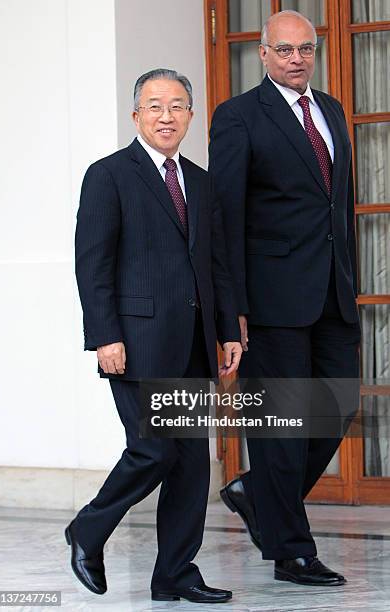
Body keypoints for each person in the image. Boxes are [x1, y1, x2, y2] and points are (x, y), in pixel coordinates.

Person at [66, 68, 242, 604]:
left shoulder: (202, 180)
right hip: (136, 342)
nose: (167, 116)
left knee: (190, 466)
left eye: (177, 106)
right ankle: (87, 530)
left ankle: (175, 575)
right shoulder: (109, 175)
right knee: (153, 452)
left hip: (192, 341)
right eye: (155, 106)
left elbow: (216, 263)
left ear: (190, 114)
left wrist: (228, 326)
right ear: (136, 114)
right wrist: (104, 336)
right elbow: (92, 264)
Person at [209, 10, 361, 586]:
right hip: (271, 302)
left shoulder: (333, 111)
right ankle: (292, 552)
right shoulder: (239, 117)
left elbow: (336, 207)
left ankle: (256, 493)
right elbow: (224, 220)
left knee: (337, 406)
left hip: (332, 293)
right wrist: (234, 308)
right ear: (264, 55)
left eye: (307, 49)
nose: (297, 59)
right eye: (286, 50)